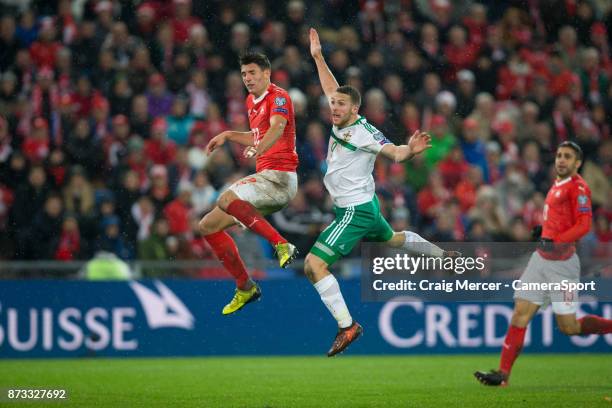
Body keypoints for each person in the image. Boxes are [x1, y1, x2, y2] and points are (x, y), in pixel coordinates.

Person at [308, 28, 459, 357]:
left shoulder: (364, 133)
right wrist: (318, 56)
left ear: (355, 110)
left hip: (355, 210)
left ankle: (347, 326)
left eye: (340, 105)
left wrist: (411, 150)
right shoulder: (341, 118)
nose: (333, 107)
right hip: (366, 205)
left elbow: (393, 152)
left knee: (313, 266)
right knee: (394, 239)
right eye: (332, 104)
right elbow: (331, 87)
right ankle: (443, 256)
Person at [475, 141, 612, 386]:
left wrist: (556, 240)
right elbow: (560, 219)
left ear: (577, 163)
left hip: (563, 266)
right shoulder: (557, 184)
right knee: (520, 314)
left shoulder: (579, 188)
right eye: (559, 155)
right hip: (541, 261)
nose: (561, 160)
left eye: (567, 157)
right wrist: (545, 230)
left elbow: (584, 225)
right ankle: (503, 375)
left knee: (569, 327)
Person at [203, 52, 299, 315]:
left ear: (267, 73)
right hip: (266, 182)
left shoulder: (279, 97)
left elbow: (277, 129)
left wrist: (259, 149)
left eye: (253, 73)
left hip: (280, 177)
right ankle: (245, 286)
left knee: (225, 198)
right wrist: (228, 135)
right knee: (208, 226)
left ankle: (281, 244)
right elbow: (257, 135)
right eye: (244, 74)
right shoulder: (250, 101)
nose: (247, 78)